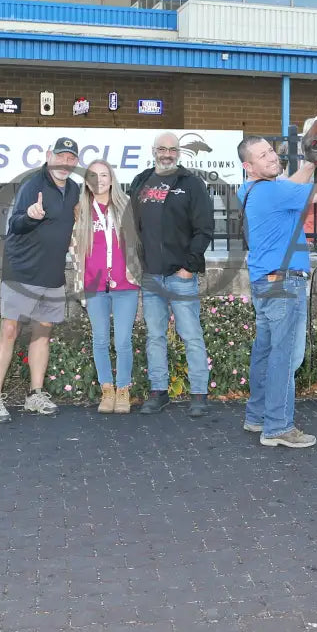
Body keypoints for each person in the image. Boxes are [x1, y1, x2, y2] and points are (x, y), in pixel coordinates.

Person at [237, 137, 317, 448]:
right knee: (286, 356)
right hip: (285, 285)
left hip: (265, 284)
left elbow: (291, 185)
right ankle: (278, 426)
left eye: (270, 151)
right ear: (248, 166)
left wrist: (310, 165)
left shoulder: (251, 190)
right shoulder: (274, 190)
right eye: (261, 156)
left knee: (265, 351)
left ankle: (257, 416)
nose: (270, 157)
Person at [0, 137, 81, 424]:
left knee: (42, 334)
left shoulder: (74, 189)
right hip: (23, 272)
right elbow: (14, 224)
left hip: (52, 274)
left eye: (71, 158)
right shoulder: (32, 185)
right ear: (49, 155)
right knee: (10, 330)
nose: (65, 163)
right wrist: (29, 215)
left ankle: (35, 394)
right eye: (60, 156)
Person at [130, 132, 214, 418]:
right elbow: (132, 226)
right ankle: (158, 392)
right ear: (153, 151)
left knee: (191, 335)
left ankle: (200, 394)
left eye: (173, 149)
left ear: (180, 153)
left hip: (180, 276)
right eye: (162, 149)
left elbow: (204, 228)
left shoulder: (191, 184)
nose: (167, 154)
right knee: (155, 336)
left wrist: (188, 267)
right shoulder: (141, 181)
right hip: (151, 275)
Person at [70, 160, 142, 414]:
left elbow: (138, 244)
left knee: (122, 340)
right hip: (94, 284)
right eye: (93, 176)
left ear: (111, 179)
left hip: (125, 283)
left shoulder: (126, 207)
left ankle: (123, 389)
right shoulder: (81, 209)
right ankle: (107, 389)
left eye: (104, 175)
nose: (99, 180)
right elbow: (75, 249)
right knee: (100, 339)